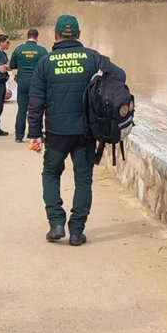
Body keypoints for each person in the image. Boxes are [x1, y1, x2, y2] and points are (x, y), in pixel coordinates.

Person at [28, 15, 126, 247]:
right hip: (86, 132)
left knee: (51, 174)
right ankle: (76, 231)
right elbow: (120, 76)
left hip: (56, 133)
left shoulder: (45, 62)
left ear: (56, 36)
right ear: (79, 35)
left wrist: (34, 133)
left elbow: (36, 101)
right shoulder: (94, 58)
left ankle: (56, 223)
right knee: (83, 180)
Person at [8, 28, 48, 143]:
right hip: (37, 83)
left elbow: (12, 65)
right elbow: (47, 68)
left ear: (27, 36)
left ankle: (18, 136)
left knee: (22, 109)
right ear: (37, 37)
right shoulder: (42, 51)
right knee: (37, 109)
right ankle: (36, 134)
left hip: (22, 82)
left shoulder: (18, 49)